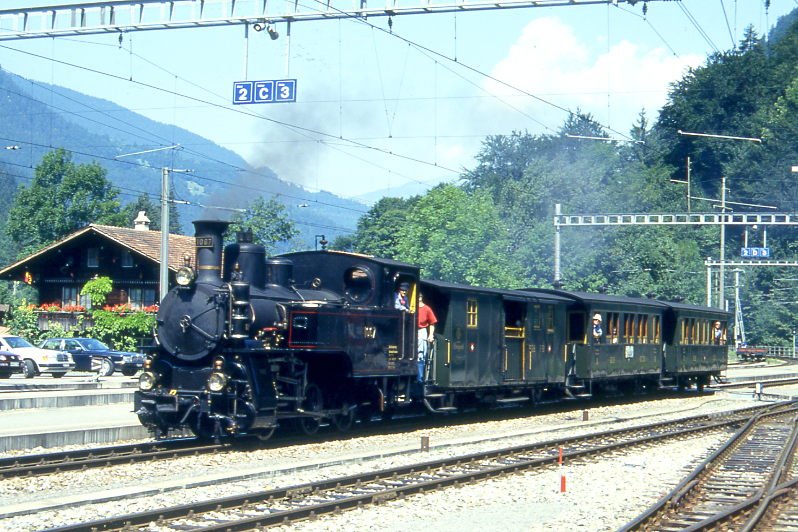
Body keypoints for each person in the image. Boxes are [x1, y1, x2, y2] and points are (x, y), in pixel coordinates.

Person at [416, 294, 437, 383]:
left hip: (421, 331)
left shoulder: (427, 309)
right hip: (411, 330)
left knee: (420, 356)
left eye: (418, 297)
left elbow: (432, 323)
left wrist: (430, 335)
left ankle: (419, 378)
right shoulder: (412, 307)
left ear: (421, 298)